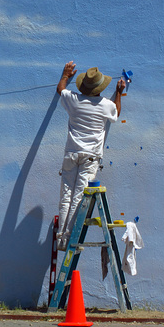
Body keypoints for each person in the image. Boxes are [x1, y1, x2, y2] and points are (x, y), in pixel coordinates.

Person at [56, 61, 125, 250]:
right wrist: (119, 92)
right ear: (99, 89)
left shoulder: (73, 99)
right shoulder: (105, 105)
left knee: (66, 196)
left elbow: (60, 89)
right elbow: (116, 112)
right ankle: (69, 239)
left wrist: (65, 74)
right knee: (78, 197)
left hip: (71, 153)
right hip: (90, 157)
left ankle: (61, 237)